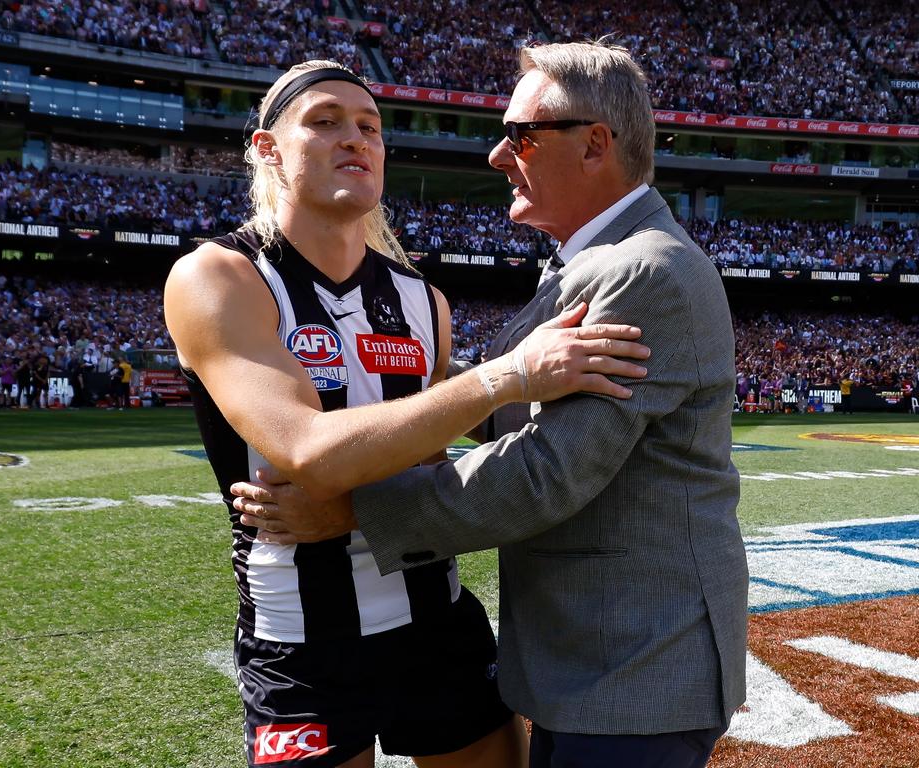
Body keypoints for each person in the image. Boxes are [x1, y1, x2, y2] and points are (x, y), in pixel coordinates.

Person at [234, 42, 748, 768]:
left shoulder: (644, 268)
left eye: (521, 134)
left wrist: (352, 511)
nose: (498, 156)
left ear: (595, 144)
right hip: (599, 658)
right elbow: (520, 406)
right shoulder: (588, 257)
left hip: (635, 666)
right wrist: (437, 379)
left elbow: (546, 471)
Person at [164, 59, 651, 768]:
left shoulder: (423, 301)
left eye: (369, 128)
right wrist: (506, 377)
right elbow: (308, 448)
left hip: (435, 622)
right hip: (300, 639)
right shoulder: (219, 276)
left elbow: (426, 459)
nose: (354, 139)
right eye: (324, 122)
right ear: (267, 149)